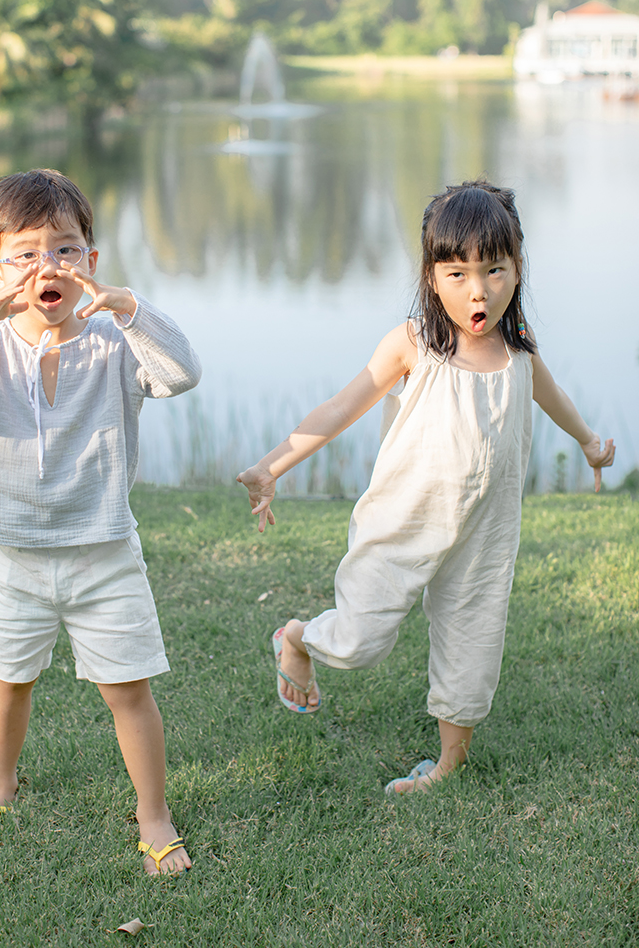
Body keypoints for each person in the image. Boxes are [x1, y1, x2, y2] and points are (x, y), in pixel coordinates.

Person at [237, 180, 614, 794]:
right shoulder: (415, 344)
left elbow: (556, 401)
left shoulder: (520, 350)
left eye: (495, 270)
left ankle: (446, 765)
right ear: (431, 275)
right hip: (404, 522)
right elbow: (340, 407)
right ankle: (298, 638)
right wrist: (272, 466)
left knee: (474, 641)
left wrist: (590, 442)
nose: (478, 291)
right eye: (458, 273)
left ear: (517, 268)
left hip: (485, 533)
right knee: (359, 641)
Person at [0, 168, 201, 873]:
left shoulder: (113, 342)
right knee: (10, 677)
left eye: (65, 250)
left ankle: (153, 813)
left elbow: (181, 373)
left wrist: (133, 312)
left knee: (128, 690)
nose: (48, 266)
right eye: (27, 253)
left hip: (104, 553)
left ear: (90, 263)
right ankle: (0, 784)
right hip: (16, 556)